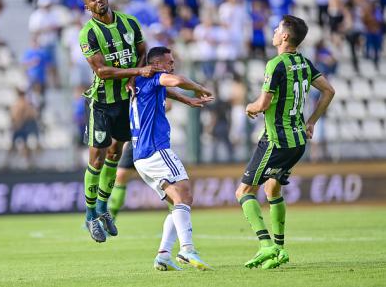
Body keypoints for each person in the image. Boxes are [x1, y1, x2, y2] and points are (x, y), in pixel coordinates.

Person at [235, 15, 335, 269]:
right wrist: (311, 121)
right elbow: (329, 90)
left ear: (285, 37)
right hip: (298, 141)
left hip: (275, 140)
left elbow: (263, 104)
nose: (274, 31)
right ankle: (279, 249)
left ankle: (266, 246)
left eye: (277, 28)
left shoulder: (275, 64)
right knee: (272, 190)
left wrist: (249, 107)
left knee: (244, 192)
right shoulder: (304, 62)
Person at [78, 0, 163, 242]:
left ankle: (103, 208)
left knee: (115, 154)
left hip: (127, 100)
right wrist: (137, 73)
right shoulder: (88, 34)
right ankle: (90, 214)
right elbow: (102, 71)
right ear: (87, 7)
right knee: (97, 159)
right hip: (103, 102)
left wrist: (133, 78)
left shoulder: (130, 22)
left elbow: (141, 51)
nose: (98, 0)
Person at [130, 46, 214, 271]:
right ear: (156, 65)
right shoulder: (154, 77)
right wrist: (199, 88)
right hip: (156, 149)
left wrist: (187, 101)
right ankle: (187, 249)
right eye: (169, 62)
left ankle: (163, 255)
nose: (173, 65)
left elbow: (166, 90)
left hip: (141, 156)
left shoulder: (138, 83)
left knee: (177, 202)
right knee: (185, 194)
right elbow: (176, 81)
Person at [108, 100, 172, 218]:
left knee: (163, 180)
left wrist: (147, 114)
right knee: (121, 175)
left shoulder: (153, 82)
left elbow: (168, 105)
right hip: (135, 138)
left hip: (151, 138)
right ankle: (109, 218)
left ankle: (176, 212)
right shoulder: (128, 87)